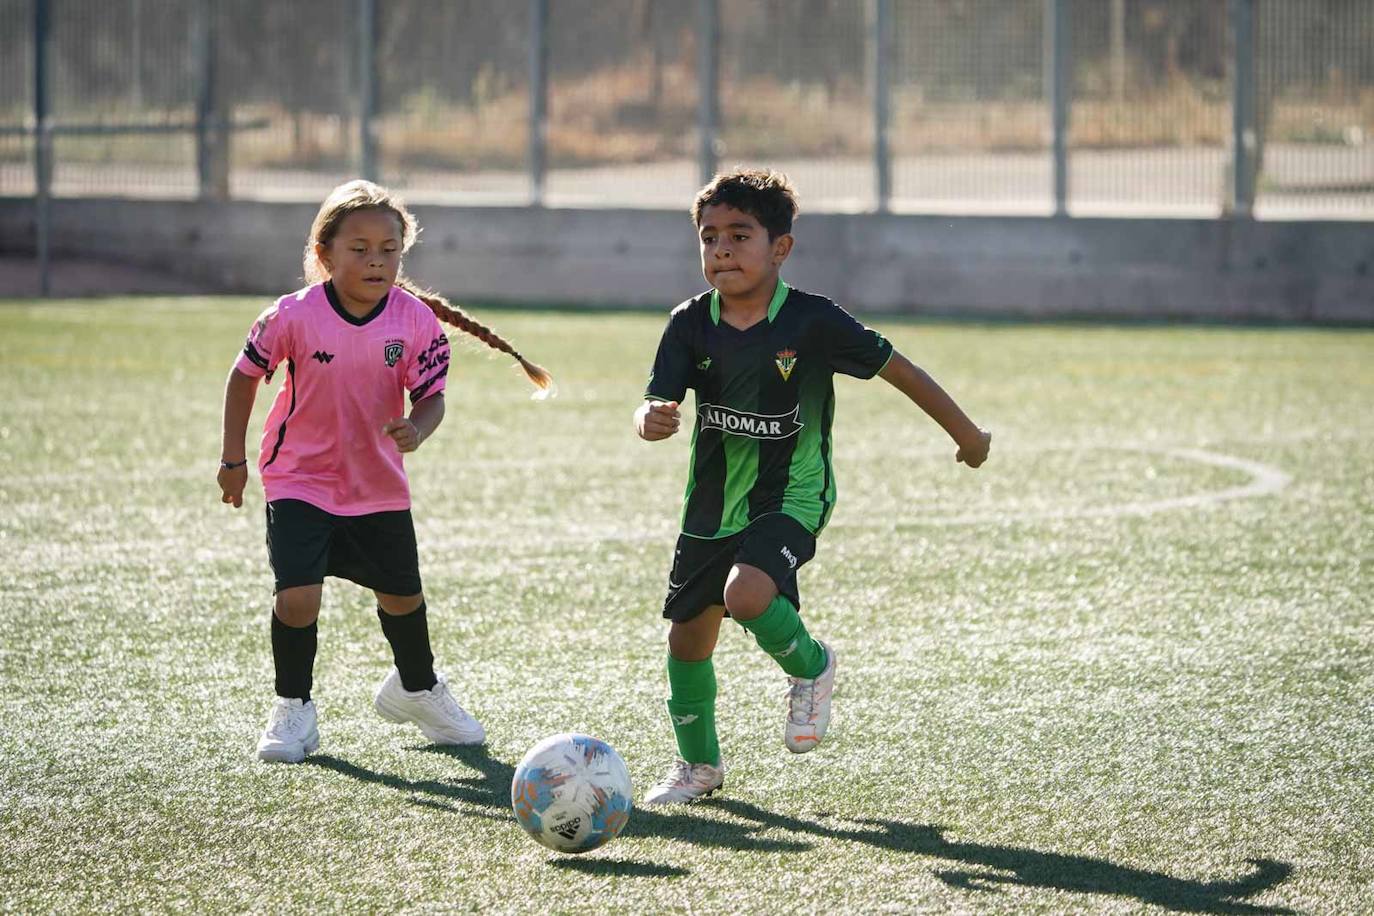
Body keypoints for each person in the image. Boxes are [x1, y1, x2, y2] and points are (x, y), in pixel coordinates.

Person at [634, 169, 991, 804]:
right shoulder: (688, 324)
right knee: (687, 638)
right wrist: (650, 420)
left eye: (740, 235)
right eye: (709, 236)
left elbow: (897, 369)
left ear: (780, 249)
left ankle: (812, 665)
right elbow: (654, 400)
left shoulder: (811, 322)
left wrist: (966, 433)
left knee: (745, 595)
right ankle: (699, 769)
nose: (721, 249)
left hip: (794, 496)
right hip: (711, 506)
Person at [218, 179, 551, 763]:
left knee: (401, 597)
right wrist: (233, 460)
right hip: (299, 475)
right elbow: (244, 377)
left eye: (389, 249)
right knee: (298, 597)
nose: (376, 260)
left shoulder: (416, 322)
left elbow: (431, 397)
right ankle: (293, 708)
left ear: (404, 250)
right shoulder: (292, 316)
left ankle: (415, 689)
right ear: (324, 254)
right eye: (360, 248)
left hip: (375, 484)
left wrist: (417, 428)